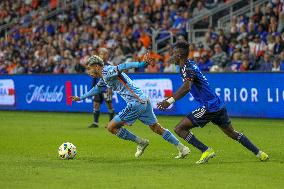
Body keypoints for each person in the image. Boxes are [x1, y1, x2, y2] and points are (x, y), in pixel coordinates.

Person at [157, 41, 269, 164]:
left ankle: (206, 150)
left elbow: (187, 87)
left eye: (173, 53)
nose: (170, 56)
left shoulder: (187, 68)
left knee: (179, 129)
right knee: (232, 133)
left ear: (179, 55)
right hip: (217, 104)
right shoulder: (189, 65)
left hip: (209, 106)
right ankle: (260, 153)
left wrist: (170, 101)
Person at [71, 54, 190, 158]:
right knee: (156, 128)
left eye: (89, 68)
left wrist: (141, 64)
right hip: (143, 99)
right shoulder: (104, 77)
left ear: (96, 66)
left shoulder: (107, 72)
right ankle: (182, 148)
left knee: (111, 127)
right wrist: (81, 98)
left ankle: (141, 142)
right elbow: (96, 89)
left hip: (136, 102)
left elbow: (123, 66)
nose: (88, 72)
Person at [88, 48, 115, 128]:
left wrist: (110, 88)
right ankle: (95, 123)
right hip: (98, 88)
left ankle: (111, 123)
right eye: (100, 53)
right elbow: (94, 77)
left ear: (107, 55)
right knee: (96, 104)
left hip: (106, 88)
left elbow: (113, 77)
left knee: (109, 104)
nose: (102, 55)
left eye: (103, 53)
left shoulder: (110, 64)